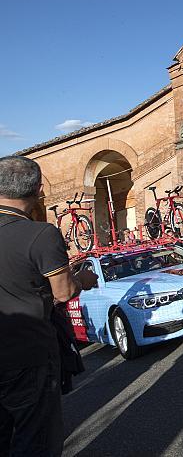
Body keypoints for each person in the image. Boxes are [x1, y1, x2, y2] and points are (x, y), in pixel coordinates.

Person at [0, 156, 97, 456]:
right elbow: (65, 292)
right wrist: (82, 279)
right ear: (39, 190)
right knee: (36, 439)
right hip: (28, 355)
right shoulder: (42, 234)